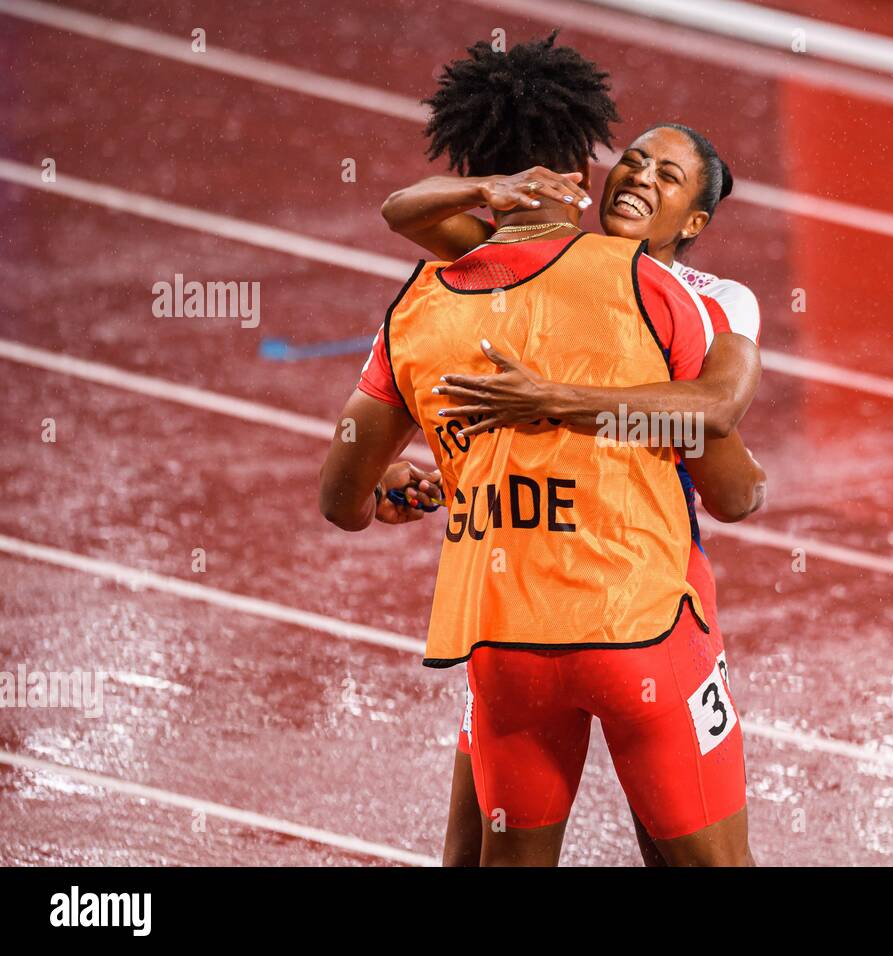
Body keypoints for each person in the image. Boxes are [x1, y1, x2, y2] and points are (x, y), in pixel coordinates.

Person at [320, 33, 761, 866]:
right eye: (631, 161)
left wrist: (453, 471)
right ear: (584, 170)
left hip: (500, 631)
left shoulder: (420, 298)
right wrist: (593, 419)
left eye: (667, 176)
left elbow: (342, 500)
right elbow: (734, 482)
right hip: (643, 612)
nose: (638, 179)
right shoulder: (658, 293)